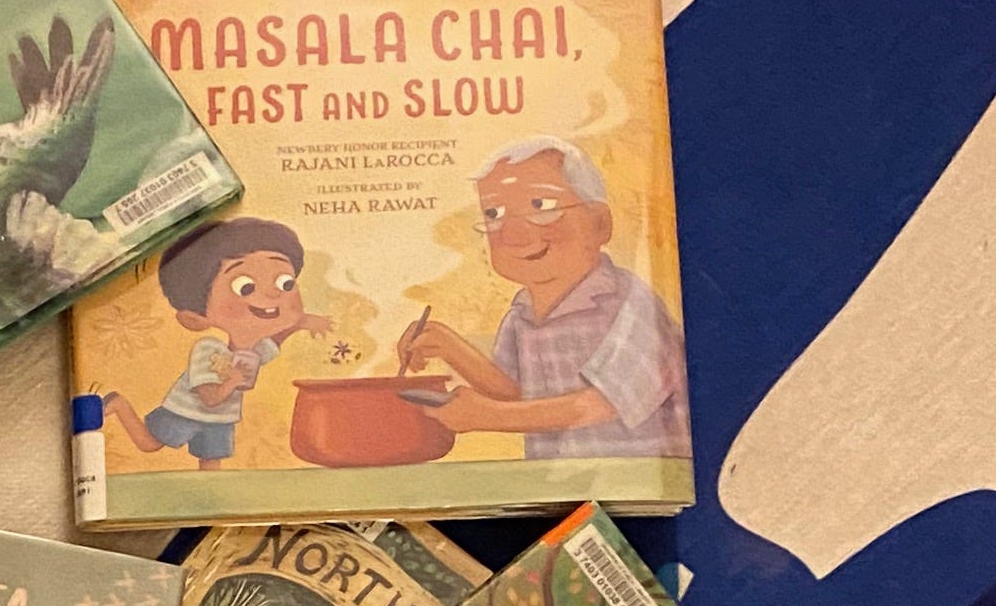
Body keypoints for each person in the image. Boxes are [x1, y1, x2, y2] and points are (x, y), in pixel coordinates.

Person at [395, 137, 688, 459]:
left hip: (633, 475)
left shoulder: (629, 303)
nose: (515, 235)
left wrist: (490, 417)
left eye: (542, 207)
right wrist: (452, 349)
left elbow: (604, 403)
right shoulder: (520, 316)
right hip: (556, 481)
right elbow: (518, 398)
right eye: (494, 213)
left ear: (600, 224)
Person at [100, 217, 329, 468]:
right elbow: (209, 397)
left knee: (211, 462)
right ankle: (117, 404)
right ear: (195, 319)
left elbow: (276, 339)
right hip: (185, 412)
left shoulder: (253, 351)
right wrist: (232, 381)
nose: (273, 293)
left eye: (285, 283)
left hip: (221, 419)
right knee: (149, 444)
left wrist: (301, 322)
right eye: (245, 287)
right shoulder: (209, 349)